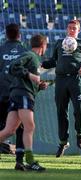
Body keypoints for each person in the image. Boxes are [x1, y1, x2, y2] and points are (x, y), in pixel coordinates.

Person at [42, 19, 81, 157]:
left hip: (75, 79)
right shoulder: (59, 43)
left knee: (79, 109)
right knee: (61, 111)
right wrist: (43, 64)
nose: (72, 30)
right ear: (67, 29)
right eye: (70, 27)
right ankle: (63, 142)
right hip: (61, 80)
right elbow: (53, 61)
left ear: (78, 30)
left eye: (74, 28)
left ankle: (80, 133)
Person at [0, 34, 48, 171]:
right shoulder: (30, 55)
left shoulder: (34, 59)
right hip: (23, 95)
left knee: (9, 130)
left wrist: (39, 86)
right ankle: (30, 160)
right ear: (43, 46)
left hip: (17, 94)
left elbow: (24, 78)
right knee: (30, 126)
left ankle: (26, 160)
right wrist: (30, 75)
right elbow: (14, 66)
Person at [0, 23, 27, 170]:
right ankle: (19, 160)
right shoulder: (24, 51)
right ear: (19, 35)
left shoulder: (1, 49)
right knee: (20, 127)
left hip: (2, 94)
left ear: (6, 34)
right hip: (17, 95)